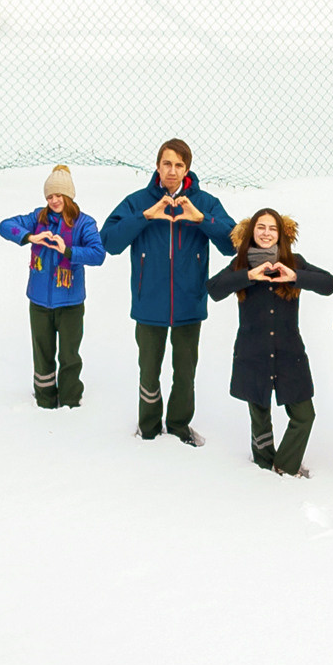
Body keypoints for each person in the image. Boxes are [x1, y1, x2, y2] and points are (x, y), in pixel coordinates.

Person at [100, 139, 236, 445]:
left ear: (187, 169)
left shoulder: (205, 202)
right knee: (148, 370)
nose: (172, 171)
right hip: (149, 302)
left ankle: (178, 426)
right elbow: (109, 242)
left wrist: (202, 219)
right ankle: (148, 428)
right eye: (167, 164)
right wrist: (146, 216)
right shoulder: (137, 202)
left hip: (189, 302)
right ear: (158, 166)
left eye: (178, 165)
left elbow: (232, 244)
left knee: (185, 373)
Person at [206, 207, 333, 478]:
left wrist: (295, 276)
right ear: (252, 232)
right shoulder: (241, 264)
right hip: (252, 353)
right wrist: (249, 276)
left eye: (272, 228)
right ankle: (264, 468)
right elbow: (214, 289)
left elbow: (329, 284)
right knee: (260, 417)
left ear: (281, 233)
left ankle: (285, 467)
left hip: (290, 353)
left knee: (304, 415)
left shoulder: (293, 262)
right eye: (261, 228)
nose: (266, 233)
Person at [0, 165, 107, 410]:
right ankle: (44, 399)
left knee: (69, 356)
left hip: (70, 303)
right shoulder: (38, 218)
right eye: (50, 196)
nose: (54, 200)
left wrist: (67, 251)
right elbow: (5, 225)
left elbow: (98, 254)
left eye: (59, 195)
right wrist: (30, 237)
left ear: (69, 195)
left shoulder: (83, 223)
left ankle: (69, 401)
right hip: (39, 302)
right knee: (42, 353)